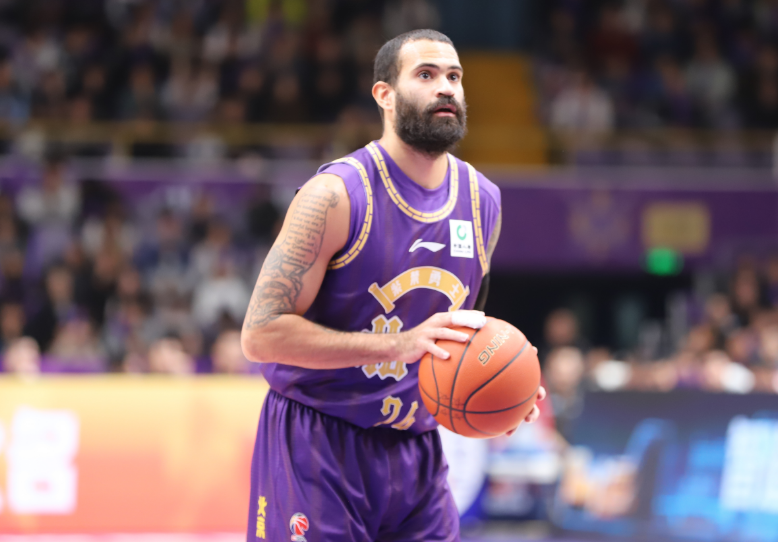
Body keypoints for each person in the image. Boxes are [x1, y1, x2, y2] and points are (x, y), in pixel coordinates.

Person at [241, 29, 546, 542]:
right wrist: (398, 345)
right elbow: (260, 335)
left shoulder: (482, 200)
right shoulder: (335, 195)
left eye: (454, 77)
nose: (445, 87)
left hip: (417, 450)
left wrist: (505, 386)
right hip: (319, 441)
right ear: (385, 94)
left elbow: (461, 335)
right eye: (426, 74)